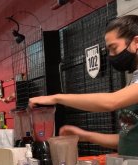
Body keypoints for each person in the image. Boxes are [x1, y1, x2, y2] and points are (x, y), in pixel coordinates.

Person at [29, 15, 138, 156]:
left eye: (114, 48)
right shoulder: (133, 80)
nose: (111, 55)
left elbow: (112, 101)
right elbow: (127, 140)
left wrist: (56, 98)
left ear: (136, 42)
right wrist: (84, 135)